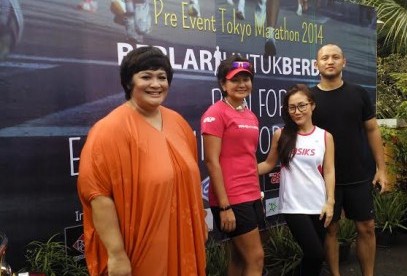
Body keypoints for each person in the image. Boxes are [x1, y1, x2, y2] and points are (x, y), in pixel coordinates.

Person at [77, 46, 207, 276]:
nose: (156, 84)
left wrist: (200, 220)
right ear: (129, 82)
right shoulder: (109, 130)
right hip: (141, 247)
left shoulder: (178, 123)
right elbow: (98, 197)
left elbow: (190, 177)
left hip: (184, 238)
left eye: (162, 77)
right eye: (146, 76)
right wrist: (116, 254)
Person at [310, 44, 388, 276]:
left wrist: (381, 169)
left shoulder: (359, 93)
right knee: (330, 230)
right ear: (317, 65)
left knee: (366, 228)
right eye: (325, 58)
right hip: (323, 178)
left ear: (345, 62)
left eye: (335, 57)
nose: (330, 61)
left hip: (359, 174)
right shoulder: (309, 99)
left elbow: (373, 130)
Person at [258, 84, 335, 276]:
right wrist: (239, 173)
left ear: (312, 105)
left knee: (315, 259)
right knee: (315, 254)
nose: (297, 111)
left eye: (302, 105)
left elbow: (329, 170)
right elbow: (268, 164)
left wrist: (330, 202)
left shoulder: (325, 136)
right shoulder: (281, 135)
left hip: (318, 206)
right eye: (292, 107)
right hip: (293, 206)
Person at [201, 55, 265, 276]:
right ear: (223, 84)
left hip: (251, 195)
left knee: (239, 258)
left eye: (246, 79)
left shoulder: (250, 115)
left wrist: (257, 194)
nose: (242, 84)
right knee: (256, 258)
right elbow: (211, 161)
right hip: (231, 199)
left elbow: (248, 158)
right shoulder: (215, 113)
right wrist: (225, 206)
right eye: (235, 80)